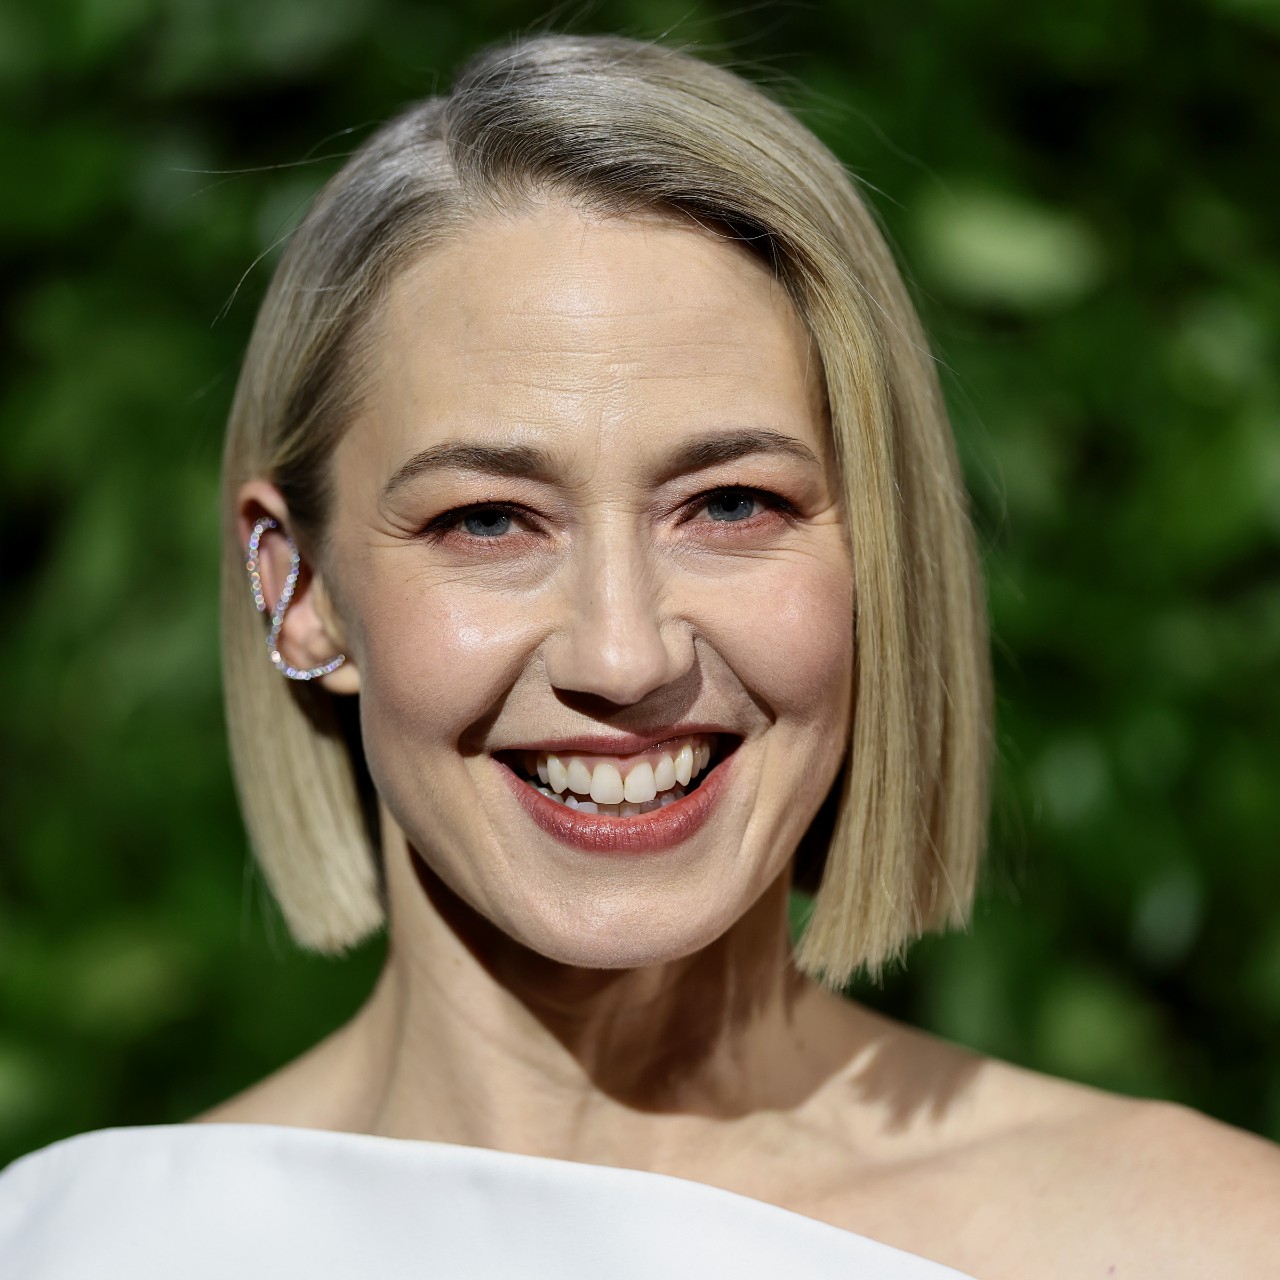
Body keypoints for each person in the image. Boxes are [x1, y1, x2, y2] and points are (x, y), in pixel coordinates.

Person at [2, 32, 1276, 1280]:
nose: (622, 653)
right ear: (298, 590)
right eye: (486, 519)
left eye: (730, 504)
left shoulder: (1203, 1241)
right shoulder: (79, 1247)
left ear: (880, 555)